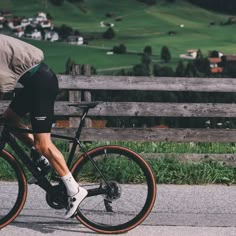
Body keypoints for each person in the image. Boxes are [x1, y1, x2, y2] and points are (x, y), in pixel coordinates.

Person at [0, 34, 87, 219]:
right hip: (34, 84)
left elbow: (2, 83)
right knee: (9, 118)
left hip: (41, 84)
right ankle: (41, 160)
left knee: (43, 144)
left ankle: (75, 190)